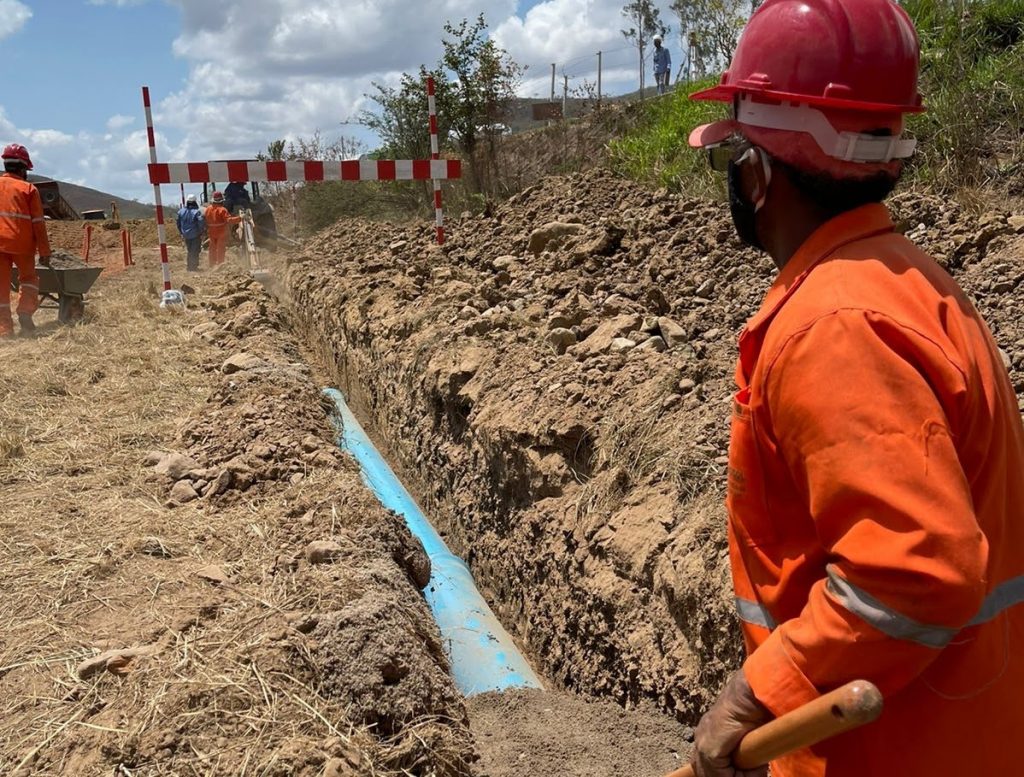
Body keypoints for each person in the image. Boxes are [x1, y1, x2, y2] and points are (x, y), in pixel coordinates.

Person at [684, 0, 1024, 775]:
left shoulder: (834, 326)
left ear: (758, 174)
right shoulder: (906, 283)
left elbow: (912, 570)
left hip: (898, 752)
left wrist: (752, 694)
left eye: (731, 155)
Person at [0, 143, 51, 337]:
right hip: (22, 244)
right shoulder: (28, 189)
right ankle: (25, 312)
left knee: (1, 287)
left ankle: (4, 330)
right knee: (29, 279)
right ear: (22, 168)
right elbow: (38, 223)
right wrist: (45, 252)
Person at [203, 190, 241, 267]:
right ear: (221, 200)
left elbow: (205, 220)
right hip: (221, 232)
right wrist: (240, 218)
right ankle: (220, 264)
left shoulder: (208, 209)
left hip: (211, 232)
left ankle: (212, 264)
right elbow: (229, 220)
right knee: (220, 248)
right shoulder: (222, 210)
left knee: (212, 248)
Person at [176, 194, 206, 272]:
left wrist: (181, 232)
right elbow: (200, 222)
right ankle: (192, 267)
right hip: (195, 234)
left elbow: (178, 223)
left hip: (186, 235)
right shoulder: (197, 212)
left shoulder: (181, 211)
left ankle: (190, 266)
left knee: (190, 250)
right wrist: (202, 232)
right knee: (195, 250)